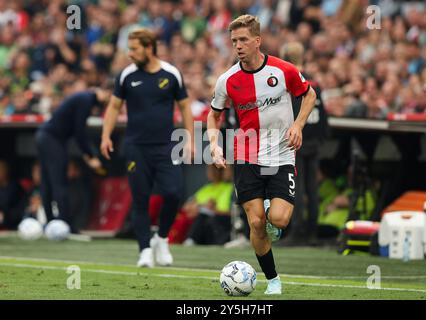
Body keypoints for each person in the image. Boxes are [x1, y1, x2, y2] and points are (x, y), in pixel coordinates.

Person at [207, 15, 316, 295]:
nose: (238, 46)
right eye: (234, 41)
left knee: (278, 220)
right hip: (247, 154)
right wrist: (215, 145)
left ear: (258, 41)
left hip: (281, 153)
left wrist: (298, 124)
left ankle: (271, 213)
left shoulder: (283, 70)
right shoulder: (227, 80)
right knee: (255, 223)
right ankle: (273, 280)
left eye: (243, 40)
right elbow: (213, 115)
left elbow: (309, 94)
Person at [100, 28, 194, 268]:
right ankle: (144, 250)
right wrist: (105, 136)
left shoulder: (171, 74)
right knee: (140, 199)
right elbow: (113, 107)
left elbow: (184, 107)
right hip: (136, 147)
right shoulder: (126, 76)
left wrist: (190, 139)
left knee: (173, 193)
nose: (129, 54)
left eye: (134, 49)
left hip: (166, 146)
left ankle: (161, 238)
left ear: (149, 48)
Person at [35, 88, 109, 232]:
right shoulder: (86, 100)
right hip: (52, 139)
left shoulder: (84, 97)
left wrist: (88, 154)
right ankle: (65, 223)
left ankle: (51, 223)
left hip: (44, 136)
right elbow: (79, 131)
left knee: (47, 182)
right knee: (59, 182)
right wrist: (90, 155)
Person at [277, 41, 329, 246]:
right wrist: (321, 138)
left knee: (295, 186)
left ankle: (297, 231)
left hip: (296, 141)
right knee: (312, 188)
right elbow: (324, 116)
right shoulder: (315, 83)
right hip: (314, 142)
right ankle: (312, 232)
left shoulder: (291, 82)